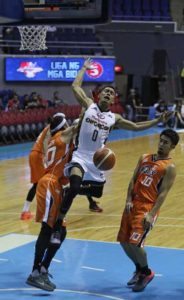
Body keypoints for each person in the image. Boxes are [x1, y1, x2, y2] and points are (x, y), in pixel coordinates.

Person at [52, 57, 172, 238]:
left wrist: (157, 120)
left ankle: (69, 192)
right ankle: (59, 221)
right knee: (76, 186)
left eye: (111, 93)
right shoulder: (89, 105)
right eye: (105, 92)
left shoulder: (114, 118)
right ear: (98, 96)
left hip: (97, 160)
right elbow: (75, 87)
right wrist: (84, 68)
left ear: (114, 99)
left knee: (97, 192)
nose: (108, 94)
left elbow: (136, 127)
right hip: (80, 156)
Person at [117, 129, 179, 292]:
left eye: (166, 142)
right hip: (133, 204)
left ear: (172, 146)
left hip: (147, 207)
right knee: (124, 242)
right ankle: (139, 269)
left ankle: (147, 272)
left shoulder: (169, 167)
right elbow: (133, 179)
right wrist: (128, 200)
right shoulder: (144, 157)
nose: (161, 144)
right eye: (161, 140)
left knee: (135, 243)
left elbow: (163, 193)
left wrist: (151, 214)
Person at [26, 114, 75, 292]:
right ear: (63, 127)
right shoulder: (62, 136)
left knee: (60, 231)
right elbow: (81, 122)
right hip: (48, 183)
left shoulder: (61, 139)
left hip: (56, 185)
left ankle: (44, 268)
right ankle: (34, 273)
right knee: (48, 229)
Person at [20, 113, 64, 220]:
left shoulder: (50, 128)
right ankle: (25, 211)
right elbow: (45, 143)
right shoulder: (50, 129)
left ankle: (31, 209)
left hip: (35, 154)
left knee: (40, 183)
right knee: (39, 184)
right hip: (38, 155)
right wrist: (46, 158)